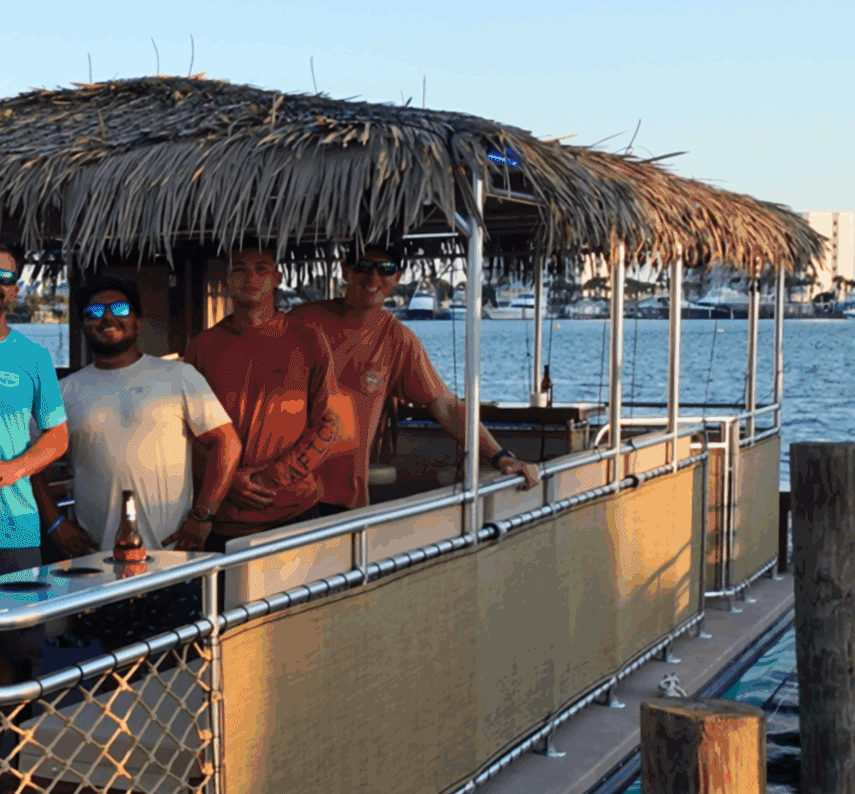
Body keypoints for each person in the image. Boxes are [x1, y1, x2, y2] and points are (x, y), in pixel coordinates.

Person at [50, 274, 241, 633]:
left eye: (119, 309)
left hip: (174, 559)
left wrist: (202, 516)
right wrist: (56, 524)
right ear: (84, 325)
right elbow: (33, 463)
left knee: (182, 665)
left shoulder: (178, 376)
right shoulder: (65, 391)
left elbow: (227, 443)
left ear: (138, 321)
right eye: (95, 312)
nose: (107, 318)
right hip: (96, 565)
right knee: (104, 673)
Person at [292, 246, 542, 505]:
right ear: (346, 271)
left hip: (344, 495)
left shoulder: (397, 339)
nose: (374, 278)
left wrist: (500, 456)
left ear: (398, 277)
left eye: (385, 269)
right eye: (364, 267)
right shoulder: (304, 322)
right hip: (284, 488)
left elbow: (445, 405)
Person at [186, 244, 350, 544]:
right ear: (226, 280)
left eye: (261, 268)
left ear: (277, 277)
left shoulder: (306, 338)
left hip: (294, 512)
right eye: (239, 269)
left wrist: (271, 478)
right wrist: (229, 479)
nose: (250, 276)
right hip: (223, 516)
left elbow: (327, 424)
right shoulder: (202, 346)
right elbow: (190, 432)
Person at [0, 242, 66, 580]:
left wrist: (14, 469)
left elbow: (58, 434)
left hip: (13, 523)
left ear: (14, 292)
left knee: (16, 630)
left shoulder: (34, 356)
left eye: (4, 278)